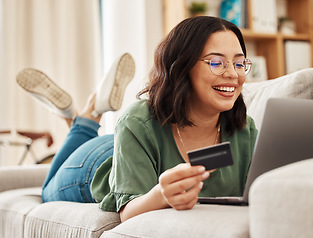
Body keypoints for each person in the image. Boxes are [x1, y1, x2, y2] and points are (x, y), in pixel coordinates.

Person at [17, 16, 257, 223]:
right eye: (216, 62)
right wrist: (161, 195)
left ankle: (81, 114)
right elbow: (127, 214)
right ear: (181, 67)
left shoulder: (245, 130)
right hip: (95, 162)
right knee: (47, 191)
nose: (232, 74)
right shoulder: (138, 120)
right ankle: (84, 120)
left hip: (133, 148)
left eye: (239, 63)